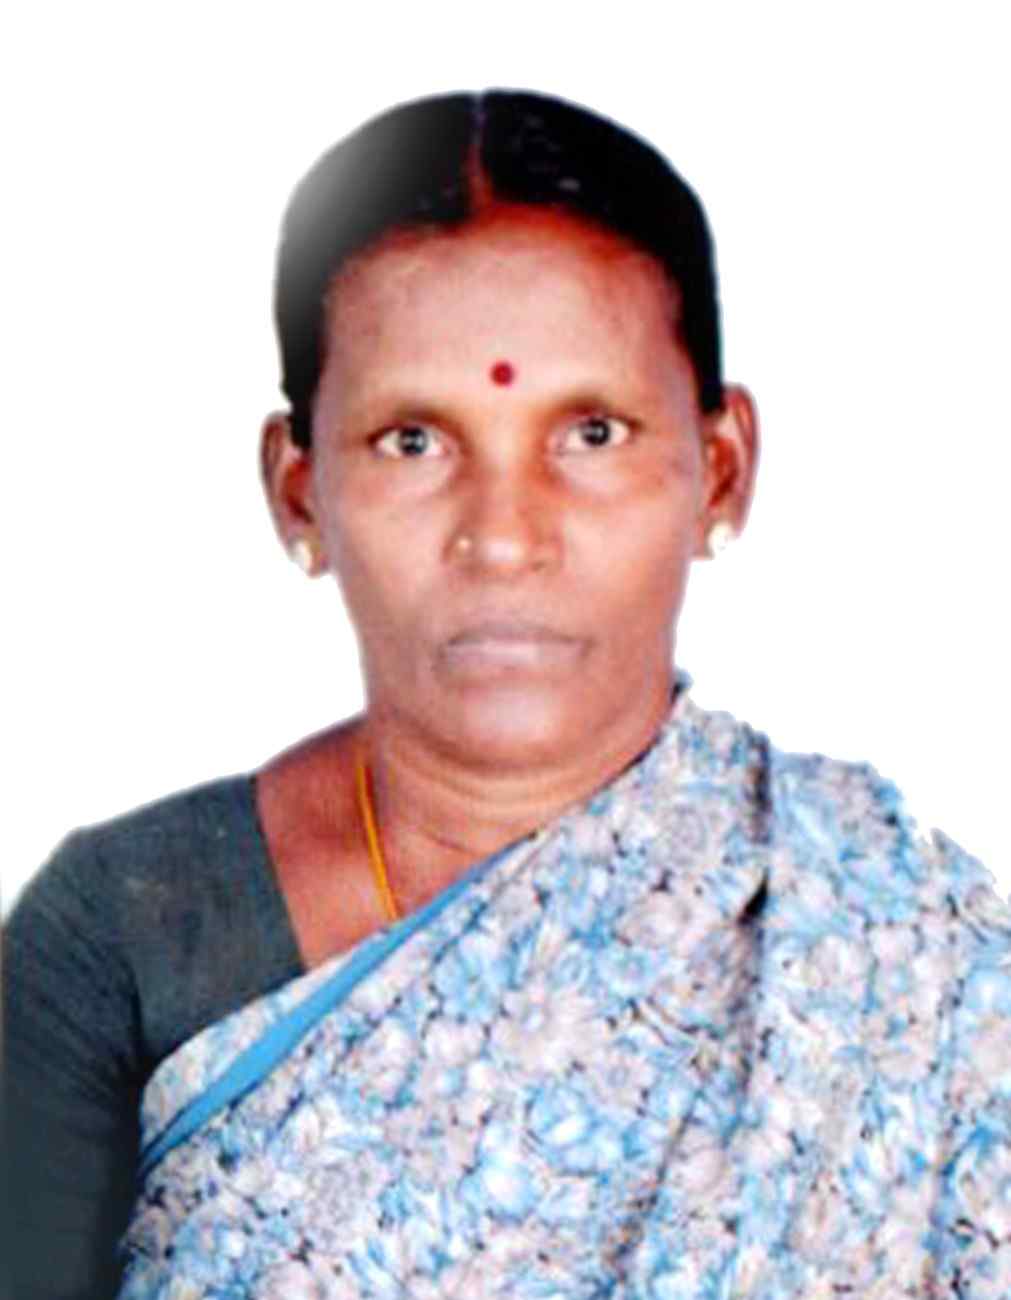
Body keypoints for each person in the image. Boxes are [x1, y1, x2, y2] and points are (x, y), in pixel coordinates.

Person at [3, 88, 1009, 1299]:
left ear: (722, 467)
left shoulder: (893, 947)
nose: (504, 535)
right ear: (298, 488)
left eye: (592, 433)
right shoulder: (125, 930)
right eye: (414, 441)